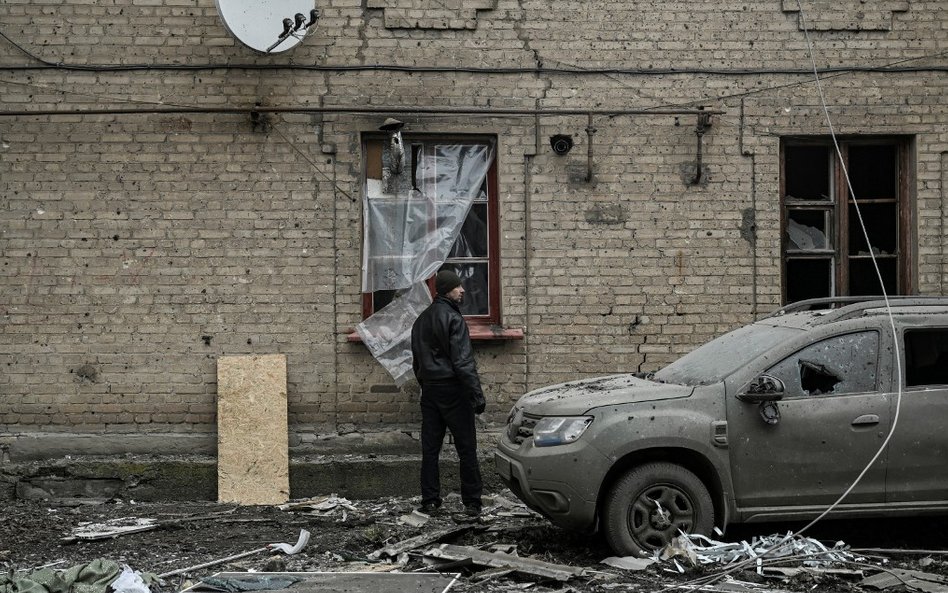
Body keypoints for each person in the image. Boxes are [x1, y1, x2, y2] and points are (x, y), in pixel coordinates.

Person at [410, 269, 487, 517]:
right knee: (466, 448)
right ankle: (472, 503)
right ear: (446, 290)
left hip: (430, 392)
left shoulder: (421, 320)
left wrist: (426, 384)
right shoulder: (454, 319)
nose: (462, 289)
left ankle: (430, 501)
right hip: (453, 391)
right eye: (457, 286)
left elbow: (416, 362)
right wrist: (476, 396)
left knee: (430, 449)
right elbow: (463, 362)